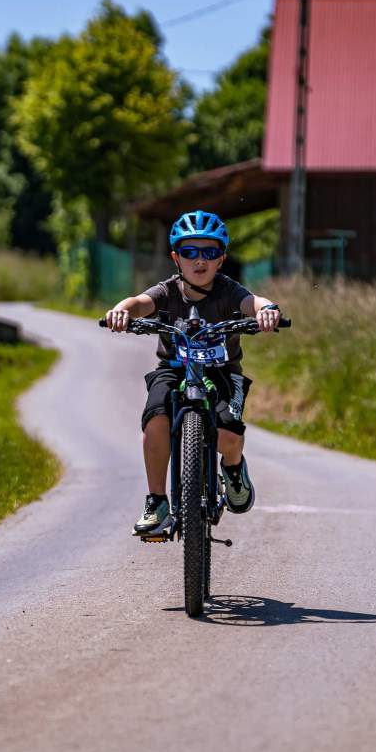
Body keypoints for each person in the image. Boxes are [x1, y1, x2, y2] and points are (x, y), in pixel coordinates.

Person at [104, 210, 282, 535]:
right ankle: (157, 501)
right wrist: (122, 311)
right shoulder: (168, 291)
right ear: (176, 258)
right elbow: (140, 302)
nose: (199, 261)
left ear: (221, 258)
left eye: (209, 253)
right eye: (189, 252)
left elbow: (254, 302)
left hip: (223, 372)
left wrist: (267, 310)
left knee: (229, 436)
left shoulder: (228, 291)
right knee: (155, 420)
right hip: (173, 370)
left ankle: (233, 469)